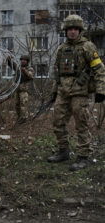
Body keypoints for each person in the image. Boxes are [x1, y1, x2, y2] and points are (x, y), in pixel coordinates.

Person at [48, 15, 105, 171]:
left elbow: (99, 69)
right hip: (63, 92)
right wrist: (54, 91)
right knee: (57, 121)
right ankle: (63, 151)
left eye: (75, 29)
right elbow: (57, 73)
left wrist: (101, 90)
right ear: (65, 31)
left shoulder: (88, 47)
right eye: (69, 29)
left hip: (80, 92)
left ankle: (83, 156)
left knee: (81, 124)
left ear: (80, 30)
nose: (72, 32)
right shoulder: (61, 49)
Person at [15, 55, 34, 124]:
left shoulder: (30, 68)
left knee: (23, 104)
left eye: (24, 60)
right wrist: (9, 61)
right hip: (18, 89)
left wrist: (25, 71)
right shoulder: (19, 68)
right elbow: (13, 67)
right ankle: (19, 117)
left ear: (27, 61)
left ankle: (24, 119)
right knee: (17, 105)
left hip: (24, 90)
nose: (22, 61)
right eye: (22, 60)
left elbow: (31, 76)